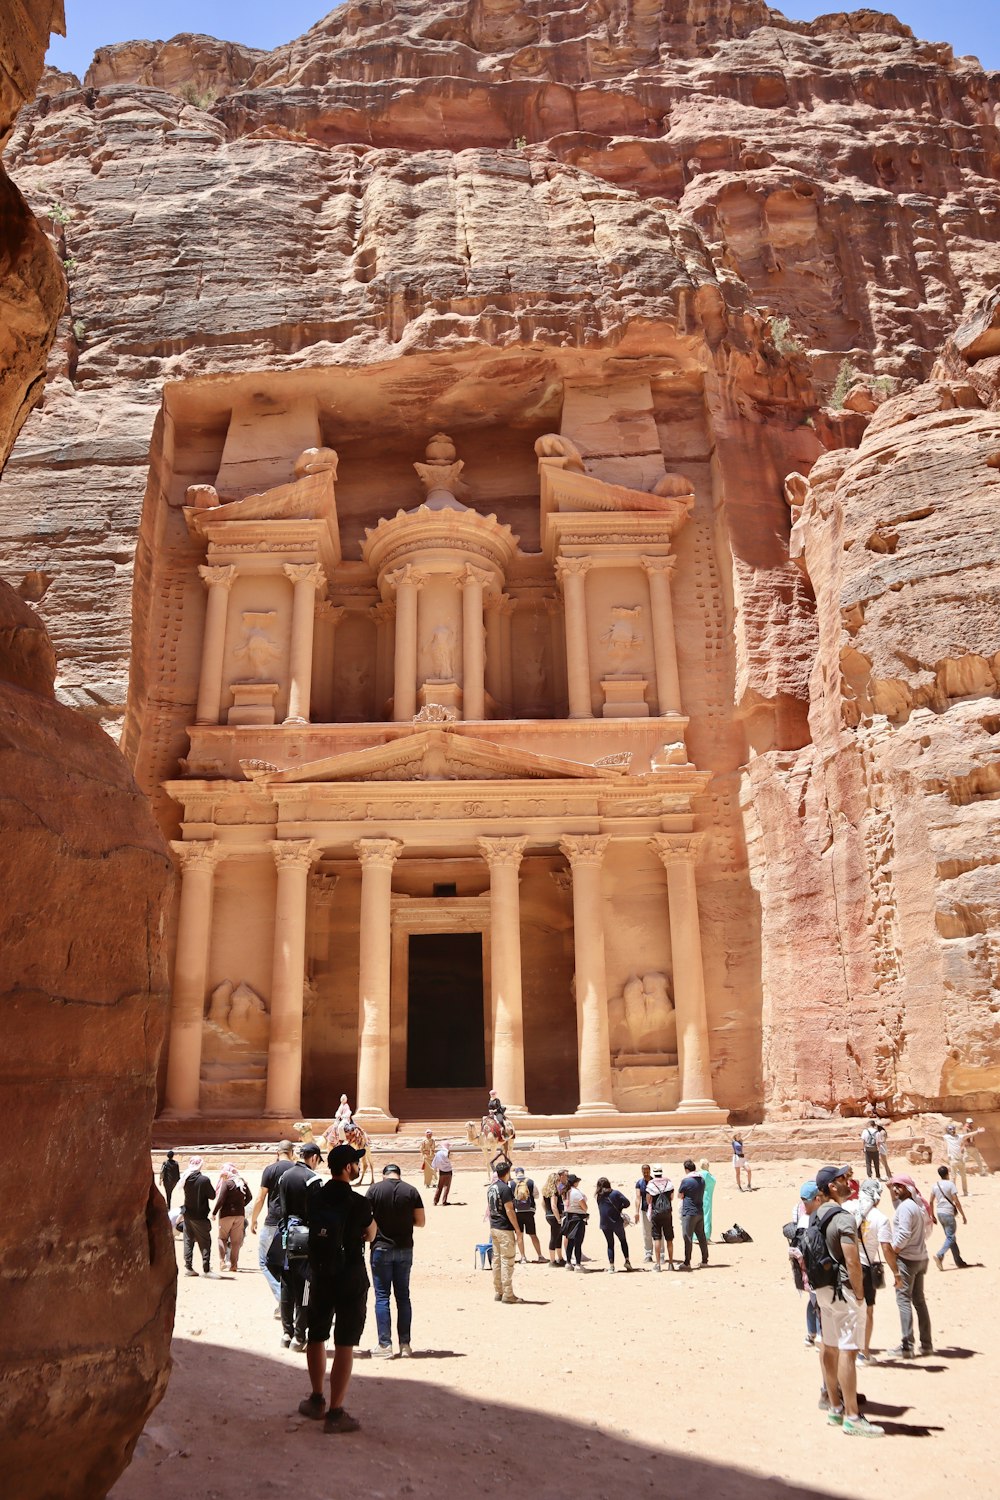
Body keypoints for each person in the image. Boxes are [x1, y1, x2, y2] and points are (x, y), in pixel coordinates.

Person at [298, 1144, 376, 1435]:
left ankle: (316, 1399)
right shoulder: (359, 1202)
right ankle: (336, 1412)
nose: (357, 1167)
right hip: (350, 1275)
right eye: (355, 1163)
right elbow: (370, 1234)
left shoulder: (315, 1197)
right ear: (347, 1168)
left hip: (320, 1273)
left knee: (316, 1335)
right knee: (345, 1342)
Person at [811, 1165, 883, 1436]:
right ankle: (852, 1416)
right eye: (842, 1179)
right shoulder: (843, 1218)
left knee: (829, 1347)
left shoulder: (816, 1214)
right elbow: (852, 1261)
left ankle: (835, 1408)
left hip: (822, 1290)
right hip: (843, 1291)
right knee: (848, 1351)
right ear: (832, 1186)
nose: (848, 1182)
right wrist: (861, 1294)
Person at [366, 1162, 425, 1357]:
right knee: (403, 1297)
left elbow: (365, 1220)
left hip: (381, 1248)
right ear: (399, 1175)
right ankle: (405, 1345)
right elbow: (421, 1221)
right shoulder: (411, 1191)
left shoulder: (374, 1190)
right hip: (404, 1248)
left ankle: (385, 1344)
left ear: (384, 1175)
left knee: (382, 1297)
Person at [277, 1143, 323, 1350]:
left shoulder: (284, 1176)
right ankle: (299, 1336)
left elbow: (281, 1208)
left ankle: (286, 1334)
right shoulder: (313, 1179)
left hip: (287, 1236)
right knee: (305, 1287)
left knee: (286, 1286)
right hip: (306, 1239)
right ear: (313, 1158)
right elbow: (317, 1212)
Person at [884, 1175, 934, 1358]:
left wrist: (893, 1250)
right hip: (921, 1258)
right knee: (919, 1301)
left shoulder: (906, 1208)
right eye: (895, 1187)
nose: (896, 1189)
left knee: (904, 1301)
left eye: (899, 1187)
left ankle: (907, 1346)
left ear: (907, 1188)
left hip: (907, 1261)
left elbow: (903, 1234)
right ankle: (926, 1344)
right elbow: (896, 1205)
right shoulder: (914, 1206)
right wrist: (890, 1187)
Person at [250, 1140, 296, 1309]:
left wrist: (254, 1219)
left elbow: (260, 1198)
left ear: (277, 1152)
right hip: (293, 1223)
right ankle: (288, 1300)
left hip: (273, 1222)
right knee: (288, 1263)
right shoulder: (298, 1169)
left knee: (264, 1262)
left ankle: (283, 1301)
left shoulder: (270, 1170)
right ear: (292, 1152)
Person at [849, 1179, 891, 1362]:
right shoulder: (880, 1218)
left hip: (847, 1265)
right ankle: (863, 1352)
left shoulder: (849, 1209)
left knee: (849, 1309)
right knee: (867, 1311)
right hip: (865, 1268)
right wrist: (896, 1272)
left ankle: (848, 1348)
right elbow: (886, 1247)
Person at [487, 1158, 525, 1302]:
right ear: (507, 1173)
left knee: (496, 1260)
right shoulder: (505, 1189)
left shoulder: (491, 1187)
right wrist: (517, 1230)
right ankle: (508, 1294)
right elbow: (509, 1210)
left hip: (494, 1227)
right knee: (507, 1261)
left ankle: (499, 1291)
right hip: (504, 1228)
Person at [790, 1180, 822, 1347]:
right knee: (820, 1302)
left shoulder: (801, 1217)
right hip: (817, 1269)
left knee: (813, 1300)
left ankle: (811, 1333)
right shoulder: (817, 1220)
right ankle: (822, 1336)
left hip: (805, 1269)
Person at [212, 1162, 252, 1272]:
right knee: (236, 1241)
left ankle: (222, 1261)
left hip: (226, 1214)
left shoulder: (227, 1183)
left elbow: (221, 1200)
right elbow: (249, 1196)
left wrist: (214, 1212)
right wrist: (242, 1205)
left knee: (222, 1238)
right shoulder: (242, 1182)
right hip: (239, 1215)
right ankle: (234, 1265)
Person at [181, 1155, 216, 1278]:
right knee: (205, 1242)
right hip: (200, 1215)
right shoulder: (204, 1180)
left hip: (188, 1215)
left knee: (188, 1241)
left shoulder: (185, 1178)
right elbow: (212, 1195)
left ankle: (188, 1267)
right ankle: (206, 1269)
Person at [931, 1165, 968, 1270]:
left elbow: (930, 1201)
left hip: (939, 1213)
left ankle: (959, 1261)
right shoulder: (951, 1185)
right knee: (951, 1237)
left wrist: (932, 1215)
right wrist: (963, 1215)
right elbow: (956, 1201)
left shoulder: (935, 1185)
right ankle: (940, 1255)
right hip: (948, 1213)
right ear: (947, 1173)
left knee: (950, 1237)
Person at [595, 1177, 632, 1271]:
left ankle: (611, 1266)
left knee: (610, 1244)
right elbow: (627, 1203)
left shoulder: (598, 1196)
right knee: (623, 1241)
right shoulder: (615, 1193)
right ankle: (627, 1261)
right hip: (616, 1222)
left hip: (604, 1223)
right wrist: (620, 1208)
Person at [677, 1158, 708, 1270]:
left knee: (687, 1236)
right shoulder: (702, 1180)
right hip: (699, 1211)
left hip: (689, 1212)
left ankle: (687, 1262)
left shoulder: (686, 1181)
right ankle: (705, 1260)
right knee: (701, 1236)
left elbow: (679, 1195)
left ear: (686, 1169)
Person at [511, 1166, 545, 1262]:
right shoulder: (530, 1182)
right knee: (533, 1234)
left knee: (519, 1235)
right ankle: (540, 1255)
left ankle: (523, 1257)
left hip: (517, 1212)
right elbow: (536, 1195)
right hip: (529, 1211)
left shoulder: (512, 1183)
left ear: (516, 1173)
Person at [646, 1165, 675, 1272]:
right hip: (667, 1213)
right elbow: (671, 1197)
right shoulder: (669, 1183)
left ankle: (658, 1264)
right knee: (669, 1238)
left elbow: (648, 1200)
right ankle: (671, 1264)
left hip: (656, 1213)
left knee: (657, 1238)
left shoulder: (651, 1184)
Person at [561, 1174, 588, 1271]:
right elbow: (584, 1207)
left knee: (570, 1241)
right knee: (578, 1242)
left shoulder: (565, 1192)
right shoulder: (576, 1193)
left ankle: (568, 1263)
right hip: (577, 1218)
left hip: (568, 1217)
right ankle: (578, 1264)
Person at [541, 1168, 566, 1266]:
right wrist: (558, 1218)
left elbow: (543, 1204)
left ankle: (560, 1258)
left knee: (558, 1236)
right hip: (555, 1216)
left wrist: (547, 1213)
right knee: (554, 1237)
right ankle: (552, 1260)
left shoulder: (545, 1191)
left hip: (549, 1215)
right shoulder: (554, 1191)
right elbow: (554, 1206)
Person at [634, 1165, 654, 1264]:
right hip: (645, 1210)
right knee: (646, 1233)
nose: (646, 1174)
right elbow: (638, 1198)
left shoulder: (655, 1181)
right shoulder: (639, 1183)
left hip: (655, 1210)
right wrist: (636, 1212)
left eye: (647, 1172)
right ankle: (648, 1254)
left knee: (658, 1232)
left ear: (650, 1171)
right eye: (644, 1172)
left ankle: (661, 1253)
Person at [699, 1159, 717, 1242]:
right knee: (706, 1215)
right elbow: (713, 1181)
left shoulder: (698, 1173)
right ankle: (706, 1236)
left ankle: (696, 1236)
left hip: (699, 1196)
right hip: (706, 1197)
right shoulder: (706, 1174)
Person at [431, 1140, 453, 1205]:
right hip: (448, 1171)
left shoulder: (438, 1153)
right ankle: (444, 1201)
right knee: (447, 1187)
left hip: (442, 1171)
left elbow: (435, 1163)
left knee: (439, 1186)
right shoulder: (448, 1153)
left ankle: (435, 1201)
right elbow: (450, 1159)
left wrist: (436, 1168)